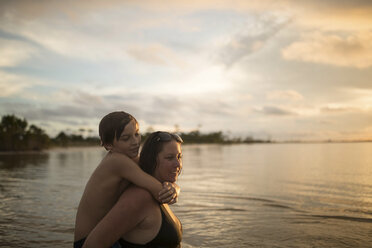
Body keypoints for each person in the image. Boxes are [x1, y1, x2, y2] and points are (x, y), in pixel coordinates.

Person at [74, 112, 179, 248]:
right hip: (88, 241)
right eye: (126, 138)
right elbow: (159, 191)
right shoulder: (117, 162)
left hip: (111, 234)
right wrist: (172, 189)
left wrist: (175, 186)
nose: (135, 142)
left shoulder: (130, 158)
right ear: (108, 145)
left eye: (136, 134)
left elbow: (159, 177)